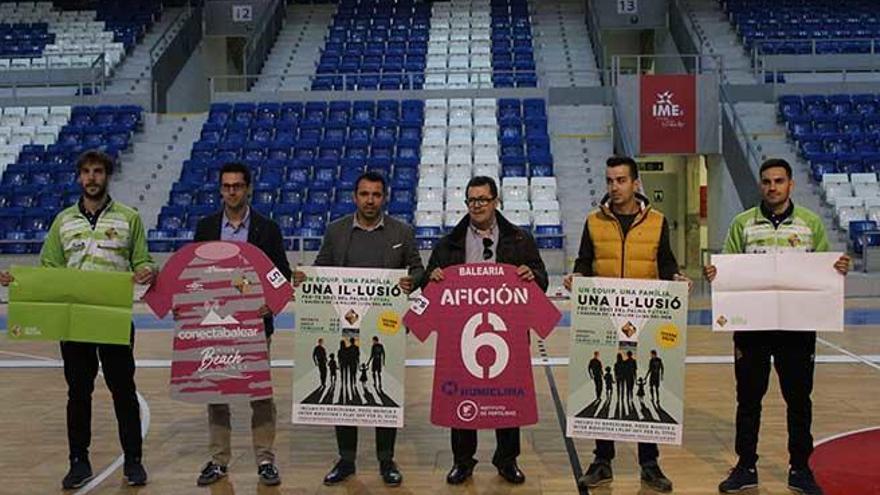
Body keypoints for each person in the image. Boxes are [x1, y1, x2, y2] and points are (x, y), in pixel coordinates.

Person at [0, 150, 155, 488]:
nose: (91, 178)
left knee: (123, 391)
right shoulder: (62, 221)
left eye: (98, 171)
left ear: (107, 176)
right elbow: (49, 269)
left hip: (113, 318)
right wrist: (19, 281)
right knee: (78, 393)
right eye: (85, 172)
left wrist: (147, 271)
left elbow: (144, 260)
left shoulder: (129, 218)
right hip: (73, 322)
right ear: (78, 177)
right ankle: (78, 461)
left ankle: (133, 461)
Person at [705, 158, 850, 495]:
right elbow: (729, 265)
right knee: (748, 399)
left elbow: (825, 268)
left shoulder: (810, 223)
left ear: (790, 185)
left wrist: (838, 267)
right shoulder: (742, 223)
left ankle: (800, 468)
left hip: (797, 328)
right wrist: (717, 274)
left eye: (779, 181)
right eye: (767, 181)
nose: (773, 187)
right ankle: (746, 466)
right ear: (761, 185)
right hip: (752, 328)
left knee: (799, 399)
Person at [564, 156, 690, 493]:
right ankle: (602, 461)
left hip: (645, 320)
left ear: (636, 183)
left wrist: (677, 280)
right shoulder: (593, 221)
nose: (614, 187)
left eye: (620, 180)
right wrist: (575, 278)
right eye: (609, 180)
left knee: (641, 388)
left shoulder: (659, 221)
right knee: (605, 388)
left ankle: (649, 464)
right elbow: (584, 263)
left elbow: (666, 265)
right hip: (604, 318)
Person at [293, 171, 425, 487]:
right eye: (364, 194)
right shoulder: (336, 230)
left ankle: (386, 459)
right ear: (355, 197)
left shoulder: (402, 231)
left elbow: (419, 268)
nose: (370, 200)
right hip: (345, 325)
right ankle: (347, 459)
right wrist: (305, 278)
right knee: (345, 391)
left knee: (385, 390)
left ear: (385, 198)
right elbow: (321, 267)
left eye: (376, 194)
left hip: (386, 327)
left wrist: (412, 281)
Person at [423, 175, 548, 486]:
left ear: (496, 201)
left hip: (508, 334)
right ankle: (462, 462)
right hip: (461, 336)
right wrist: (433, 277)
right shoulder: (448, 242)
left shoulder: (520, 239)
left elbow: (542, 279)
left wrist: (531, 274)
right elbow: (428, 283)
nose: (476, 205)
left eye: (482, 199)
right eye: (471, 200)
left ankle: (507, 460)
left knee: (509, 396)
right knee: (461, 397)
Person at [191, 162, 292, 487]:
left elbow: (282, 276)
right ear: (220, 190)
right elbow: (193, 274)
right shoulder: (206, 227)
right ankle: (219, 460)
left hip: (254, 325)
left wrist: (272, 304)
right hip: (215, 325)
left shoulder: (267, 228)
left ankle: (265, 460)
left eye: (237, 186)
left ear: (248, 188)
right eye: (226, 186)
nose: (232, 191)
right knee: (216, 392)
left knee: (259, 393)